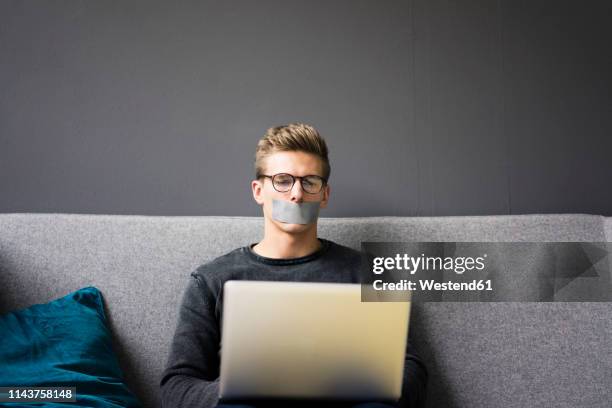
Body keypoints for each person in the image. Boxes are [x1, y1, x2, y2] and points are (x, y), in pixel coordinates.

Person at [160, 123, 428, 408]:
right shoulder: (211, 280)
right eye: (283, 180)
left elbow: (411, 368)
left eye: (310, 181)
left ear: (324, 195)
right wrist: (239, 390)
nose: (297, 194)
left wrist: (364, 388)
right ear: (258, 190)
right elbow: (177, 385)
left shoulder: (367, 274)